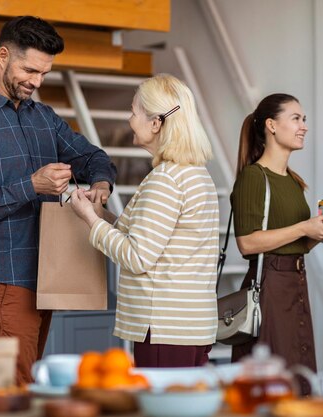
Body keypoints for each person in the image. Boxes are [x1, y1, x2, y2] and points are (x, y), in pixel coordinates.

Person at [0, 16, 117, 384]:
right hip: (4, 280)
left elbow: (93, 157)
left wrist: (101, 182)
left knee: (28, 385)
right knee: (8, 386)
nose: (36, 82)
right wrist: (31, 185)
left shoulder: (44, 117)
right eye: (30, 70)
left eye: (44, 74)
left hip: (49, 276)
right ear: (3, 55)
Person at [70, 74, 219, 367]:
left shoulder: (165, 180)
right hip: (189, 325)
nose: (129, 120)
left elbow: (137, 257)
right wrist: (103, 217)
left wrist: (89, 219)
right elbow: (153, 237)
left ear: (156, 123)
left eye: (134, 112)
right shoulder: (194, 174)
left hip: (165, 327)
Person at [230, 94, 323, 392]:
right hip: (269, 287)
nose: (303, 126)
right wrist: (304, 227)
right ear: (272, 125)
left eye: (304, 119)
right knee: (275, 380)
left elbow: (297, 243)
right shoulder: (254, 177)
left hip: (295, 282)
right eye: (296, 118)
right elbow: (248, 243)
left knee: (298, 374)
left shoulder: (293, 182)